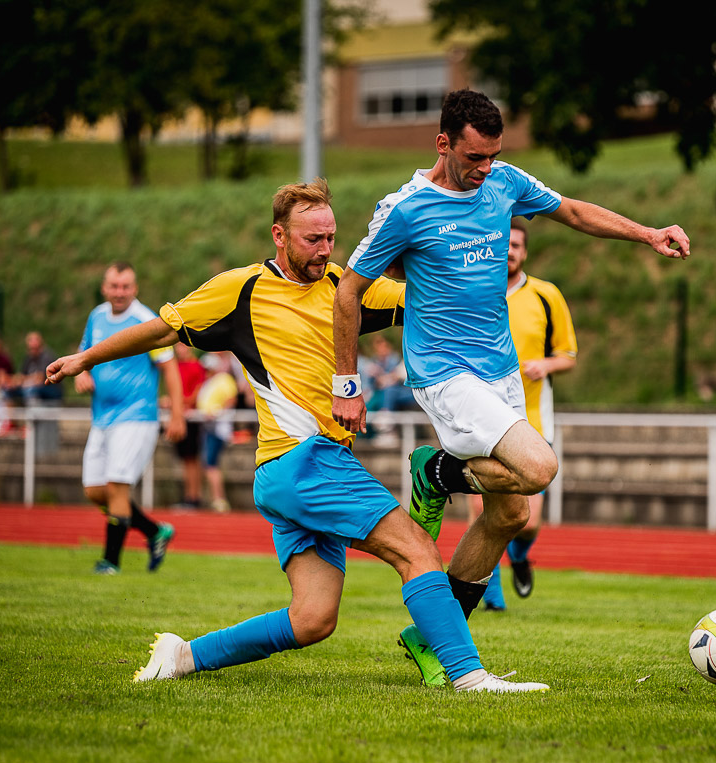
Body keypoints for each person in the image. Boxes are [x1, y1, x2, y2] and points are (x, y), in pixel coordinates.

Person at [45, 179, 547, 693]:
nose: (325, 249)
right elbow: (162, 329)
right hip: (305, 462)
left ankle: (183, 656)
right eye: (313, 239)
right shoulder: (240, 289)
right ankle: (469, 676)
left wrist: (445, 252)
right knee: (417, 549)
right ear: (279, 236)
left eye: (331, 237)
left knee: (312, 619)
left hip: (286, 474)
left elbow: (423, 295)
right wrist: (87, 356)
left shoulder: (344, 287)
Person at [331, 88, 689, 687]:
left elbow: (573, 211)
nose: (486, 169)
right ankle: (436, 473)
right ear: (443, 144)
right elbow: (349, 290)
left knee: (510, 515)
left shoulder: (504, 181)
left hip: (501, 372)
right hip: (445, 374)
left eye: (494, 156)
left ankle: (432, 637)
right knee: (540, 468)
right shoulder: (405, 208)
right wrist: (348, 383)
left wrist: (647, 233)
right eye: (475, 157)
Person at [467, 218, 578, 611]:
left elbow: (567, 355)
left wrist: (544, 366)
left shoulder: (546, 295)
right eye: (504, 244)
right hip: (480, 418)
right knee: (482, 509)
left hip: (532, 420)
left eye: (516, 245)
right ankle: (490, 594)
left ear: (524, 251)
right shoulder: (475, 290)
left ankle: (519, 555)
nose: (510, 251)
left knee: (527, 521)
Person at [74, 261, 185, 575]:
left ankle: (110, 562)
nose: (119, 292)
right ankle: (154, 532)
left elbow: (169, 367)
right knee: (95, 491)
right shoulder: (96, 316)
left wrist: (177, 415)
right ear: (104, 287)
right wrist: (81, 374)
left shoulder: (145, 320)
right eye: (113, 286)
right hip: (102, 417)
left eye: (125, 286)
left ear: (134, 289)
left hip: (137, 417)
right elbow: (84, 355)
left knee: (116, 487)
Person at [166, 342, 206, 509]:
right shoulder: (175, 366)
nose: (180, 349)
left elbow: (197, 395)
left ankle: (193, 497)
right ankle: (189, 496)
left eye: (183, 346)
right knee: (186, 460)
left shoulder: (197, 366)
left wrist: (173, 402)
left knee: (192, 459)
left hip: (192, 419)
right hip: (181, 417)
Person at [197, 352, 237, 512]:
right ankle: (216, 499)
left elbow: (231, 398)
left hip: (217, 427)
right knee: (209, 464)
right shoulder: (210, 381)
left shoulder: (223, 379)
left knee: (211, 463)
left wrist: (217, 411)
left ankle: (219, 499)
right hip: (209, 426)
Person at [5, 331, 64, 405]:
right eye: (30, 348)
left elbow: (40, 379)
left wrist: (25, 381)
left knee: (30, 390)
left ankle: (33, 416)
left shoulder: (47, 357)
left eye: (35, 348)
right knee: (8, 390)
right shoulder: (29, 358)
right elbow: (21, 376)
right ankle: (11, 416)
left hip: (50, 389)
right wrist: (14, 382)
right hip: (32, 387)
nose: (32, 350)